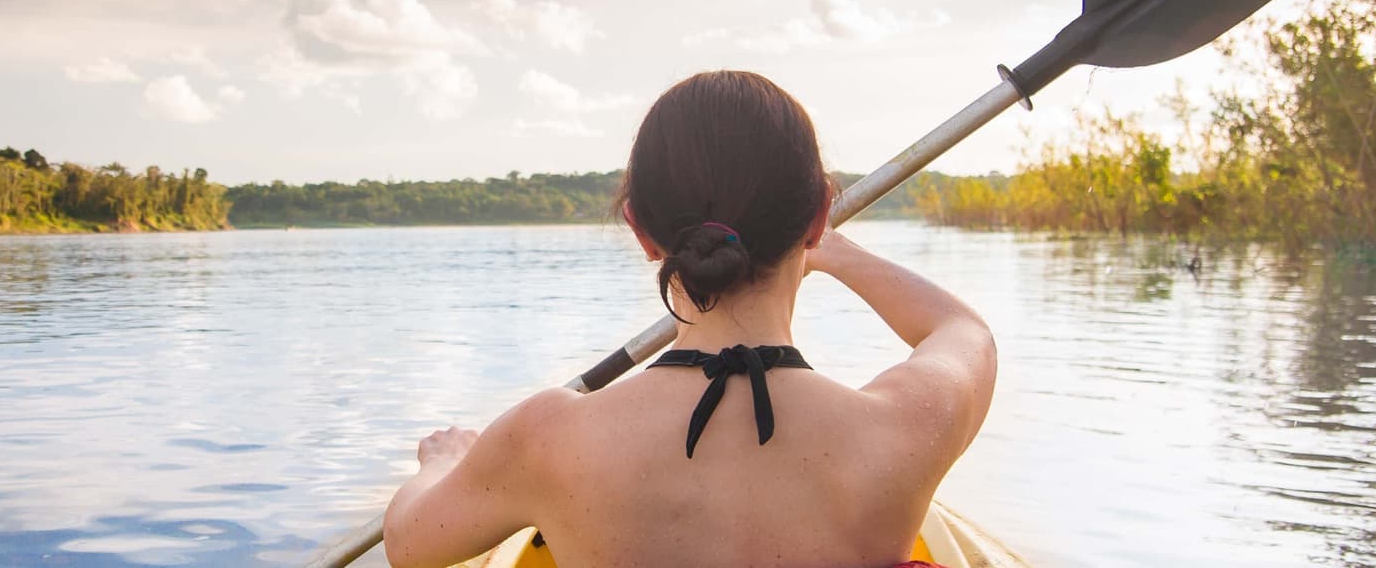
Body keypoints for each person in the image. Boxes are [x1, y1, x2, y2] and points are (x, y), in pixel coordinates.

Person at [383, 71, 997, 568]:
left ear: (641, 231)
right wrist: (835, 250)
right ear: (816, 215)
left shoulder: (548, 438)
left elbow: (409, 546)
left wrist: (443, 464)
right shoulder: (904, 427)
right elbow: (961, 332)